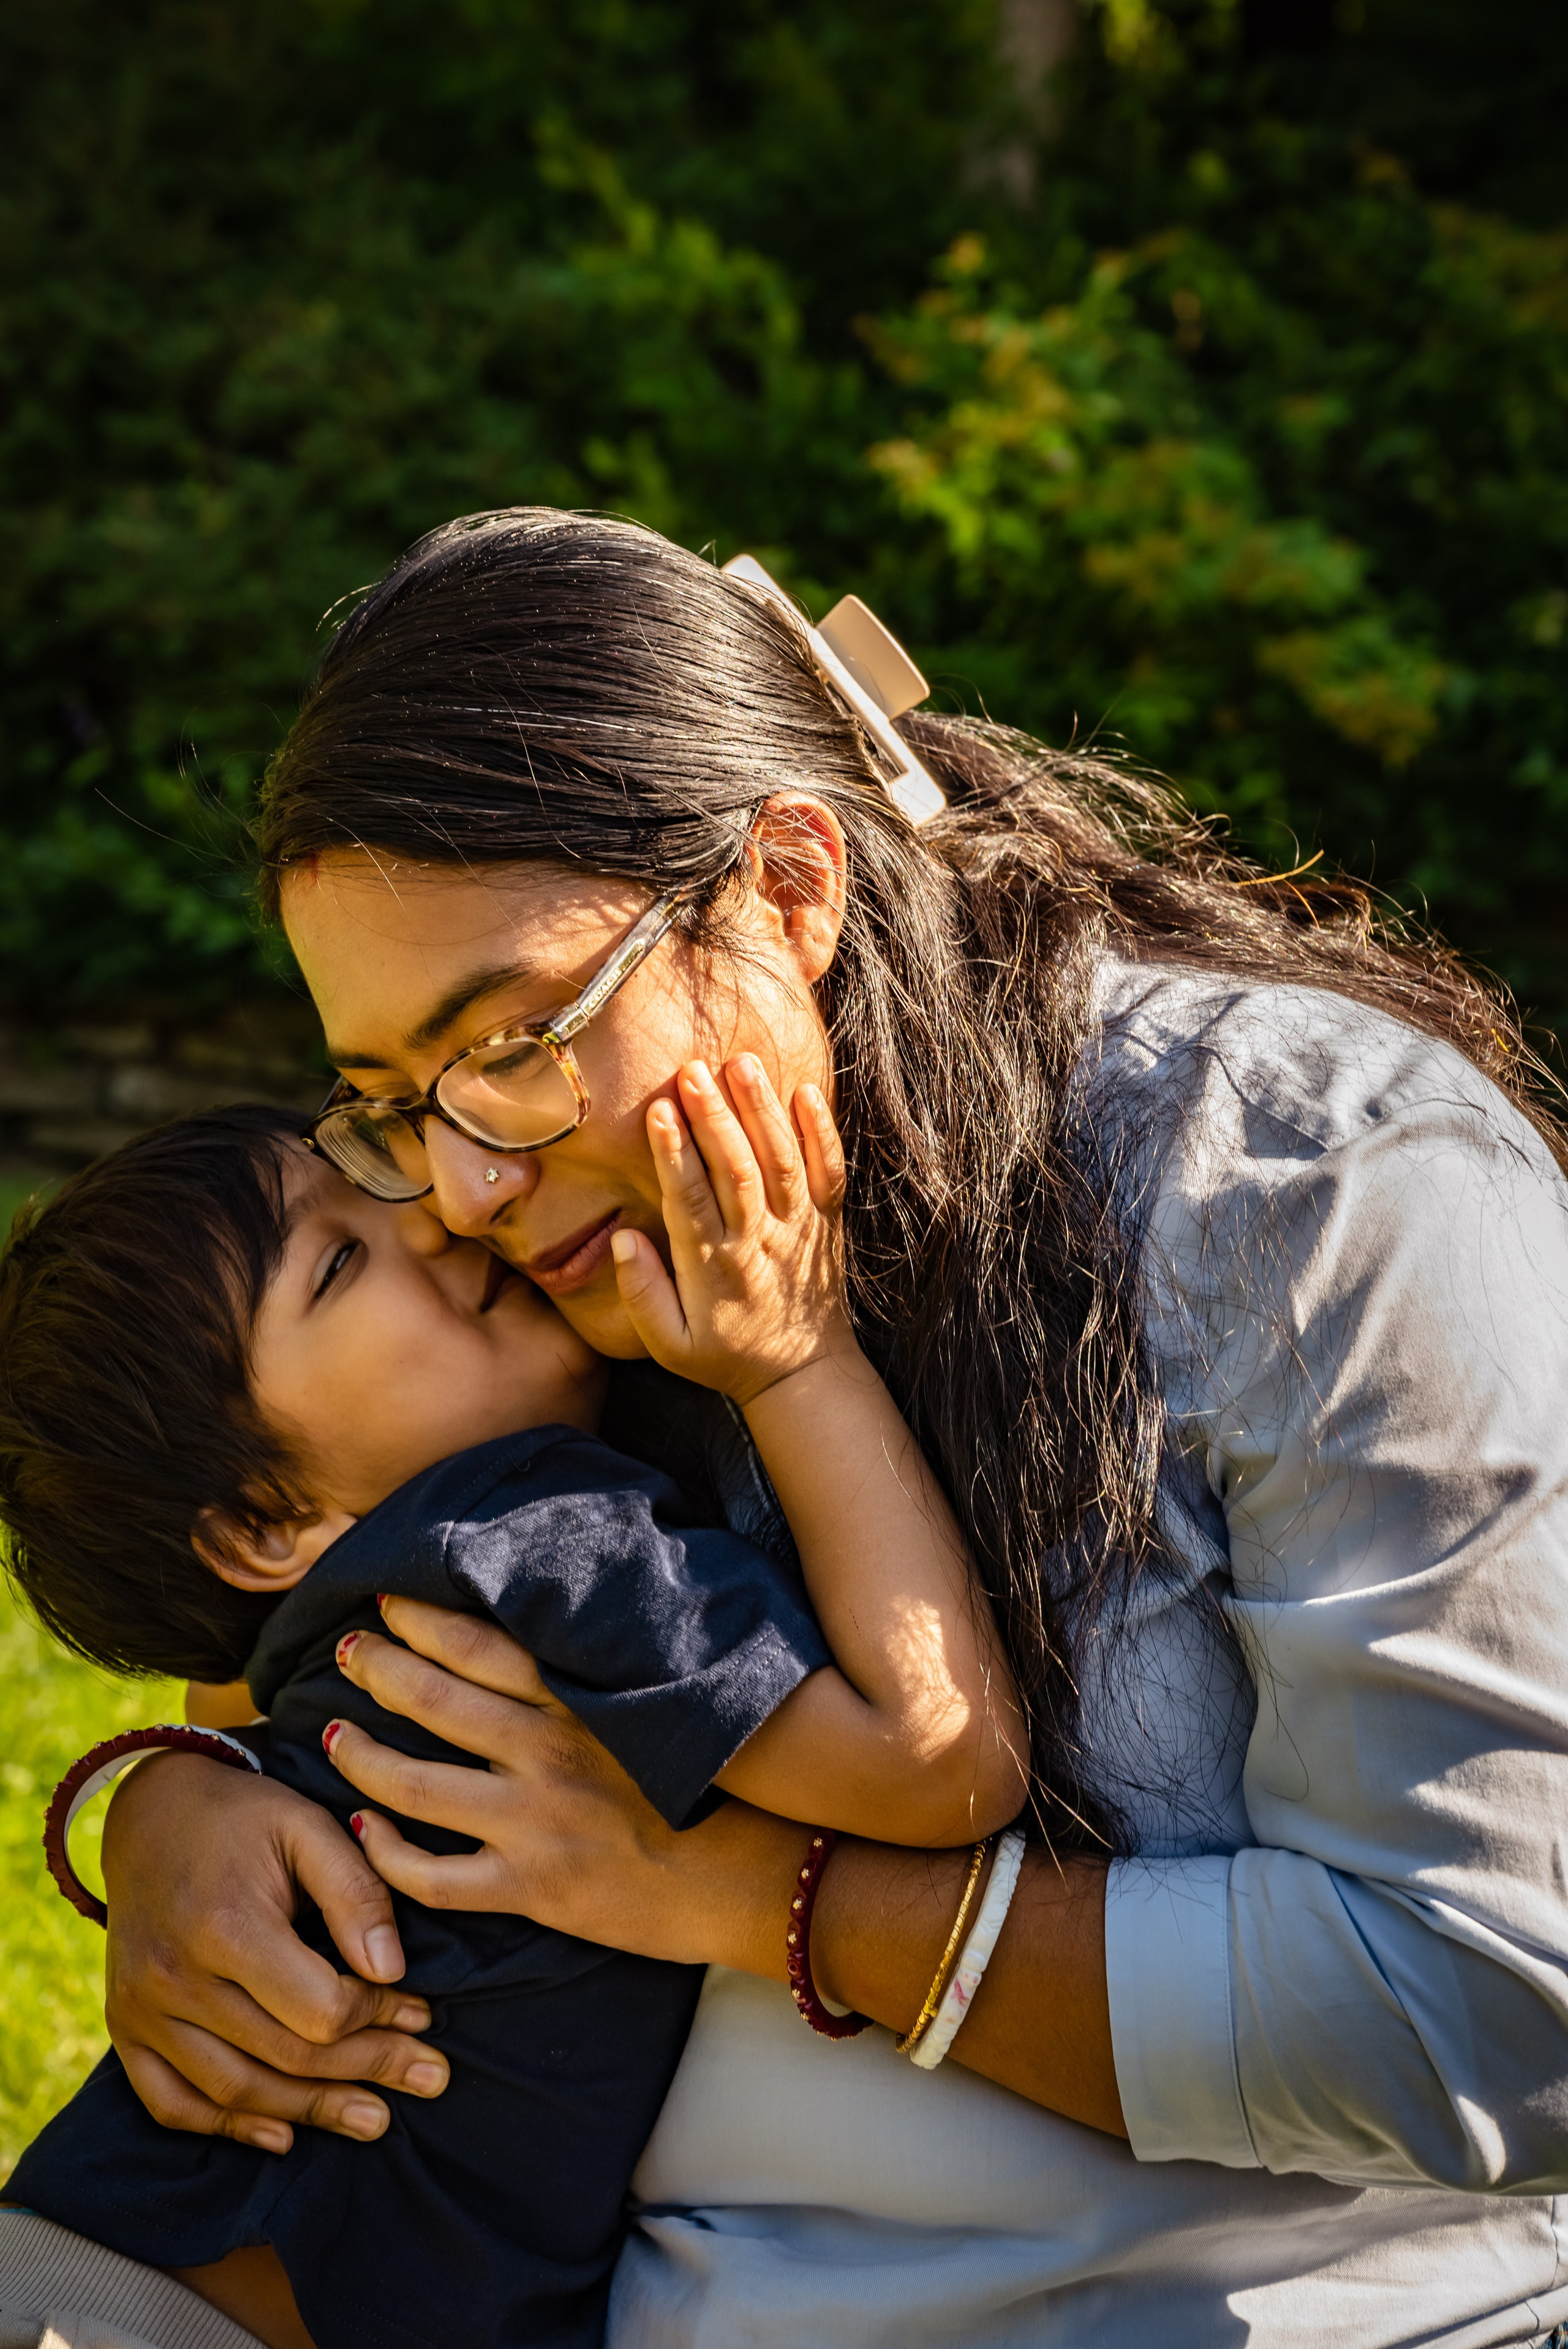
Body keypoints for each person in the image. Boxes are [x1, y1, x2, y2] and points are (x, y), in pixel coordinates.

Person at [36, 509, 1568, 2347]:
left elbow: (1502, 2007)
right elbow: (320, 1534)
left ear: (785, 888)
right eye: (392, 1094)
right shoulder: (572, 1267)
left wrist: (768, 1899)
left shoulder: (1307, 1179)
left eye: (516, 1039)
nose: (459, 1187)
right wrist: (172, 1803)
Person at [0, 1058, 1022, 2348]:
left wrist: (165, 1785)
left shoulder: (386, 1582)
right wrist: (793, 1357)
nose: (435, 1212)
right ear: (265, 1522)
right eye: (338, 1264)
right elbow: (938, 1764)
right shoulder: (529, 1535)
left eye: (377, 1188)